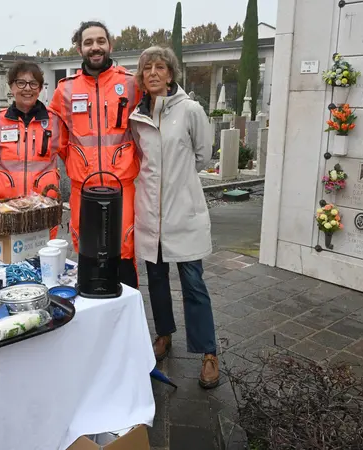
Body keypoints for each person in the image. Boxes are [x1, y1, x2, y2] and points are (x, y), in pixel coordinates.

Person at [129, 46, 219, 389]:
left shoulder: (191, 110)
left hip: (184, 212)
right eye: (146, 68)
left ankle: (208, 351)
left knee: (194, 284)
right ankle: (164, 334)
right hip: (151, 215)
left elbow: (203, 155)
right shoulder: (137, 117)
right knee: (157, 281)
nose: (152, 72)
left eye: (159, 67)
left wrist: (178, 185)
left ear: (170, 74)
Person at [48, 21, 142, 288]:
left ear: (110, 45)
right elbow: (58, 139)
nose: (95, 47)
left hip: (122, 187)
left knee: (124, 253)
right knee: (87, 252)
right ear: (79, 48)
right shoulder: (65, 89)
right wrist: (77, 163)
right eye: (88, 42)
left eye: (100, 41)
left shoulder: (132, 84)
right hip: (83, 188)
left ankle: (126, 320)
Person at [0, 61, 68, 238]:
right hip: (7, 210)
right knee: (7, 263)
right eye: (21, 83)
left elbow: (70, 157)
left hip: (43, 209)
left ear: (40, 88)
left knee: (43, 262)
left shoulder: (55, 122)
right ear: (11, 87)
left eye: (33, 83)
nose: (27, 89)